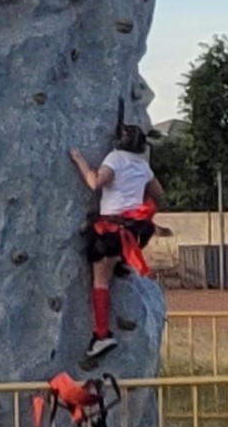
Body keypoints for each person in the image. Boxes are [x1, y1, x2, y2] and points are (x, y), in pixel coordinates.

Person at [68, 123, 166, 362]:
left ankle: (101, 335)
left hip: (111, 228)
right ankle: (122, 263)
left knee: (100, 282)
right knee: (120, 255)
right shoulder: (143, 165)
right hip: (133, 228)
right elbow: (159, 194)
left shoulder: (115, 158)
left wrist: (80, 161)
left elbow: (95, 183)